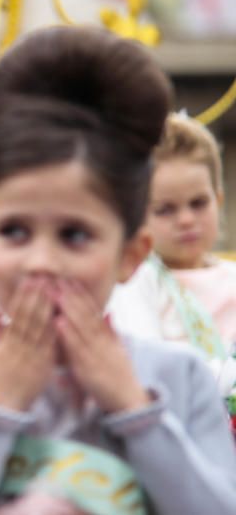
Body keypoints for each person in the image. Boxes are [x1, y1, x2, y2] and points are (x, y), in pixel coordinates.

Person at [0, 26, 236, 514]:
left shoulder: (178, 379)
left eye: (75, 235)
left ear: (131, 254)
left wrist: (136, 411)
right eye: (14, 232)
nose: (41, 261)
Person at [108, 113, 236, 398]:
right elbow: (149, 369)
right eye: (165, 209)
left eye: (198, 203)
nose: (187, 220)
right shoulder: (135, 280)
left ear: (219, 200)